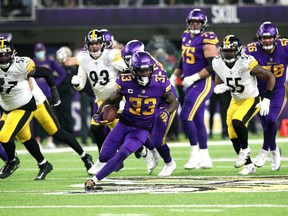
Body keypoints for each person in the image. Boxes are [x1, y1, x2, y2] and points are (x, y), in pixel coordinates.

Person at [84, 51, 178, 191]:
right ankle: (148, 152)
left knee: (123, 153)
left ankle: (94, 180)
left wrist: (167, 112)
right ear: (134, 70)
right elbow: (111, 99)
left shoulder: (160, 83)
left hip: (141, 129)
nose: (145, 74)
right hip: (123, 124)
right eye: (141, 71)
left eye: (147, 70)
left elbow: (173, 101)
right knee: (104, 156)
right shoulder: (125, 81)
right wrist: (98, 113)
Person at [58, 29, 127, 174]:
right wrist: (76, 83)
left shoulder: (112, 54)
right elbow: (81, 84)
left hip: (117, 97)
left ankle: (146, 150)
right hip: (102, 101)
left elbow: (126, 71)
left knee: (122, 130)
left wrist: (124, 68)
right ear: (87, 45)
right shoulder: (83, 58)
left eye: (97, 43)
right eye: (92, 44)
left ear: (102, 44)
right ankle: (108, 159)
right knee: (96, 128)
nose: (95, 46)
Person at [213, 35, 275, 175]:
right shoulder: (217, 62)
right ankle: (249, 166)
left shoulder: (246, 62)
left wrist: (268, 99)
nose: (228, 53)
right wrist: (218, 86)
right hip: (236, 99)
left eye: (231, 50)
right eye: (226, 51)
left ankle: (245, 149)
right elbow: (219, 74)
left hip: (251, 99)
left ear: (238, 50)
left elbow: (270, 76)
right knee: (232, 133)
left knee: (238, 121)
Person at [0, 38, 60, 179]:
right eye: (0, 55)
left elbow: (45, 72)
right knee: (26, 139)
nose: (3, 58)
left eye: (6, 54)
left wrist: (54, 92)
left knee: (3, 137)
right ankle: (44, 164)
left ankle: (12, 161)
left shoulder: (21, 65)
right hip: (7, 109)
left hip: (23, 106)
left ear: (12, 54)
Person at [169, 8, 218, 169]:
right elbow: (183, 60)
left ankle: (195, 155)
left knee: (185, 116)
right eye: (193, 22)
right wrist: (175, 76)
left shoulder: (207, 38)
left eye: (198, 22)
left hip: (203, 83)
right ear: (188, 23)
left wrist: (195, 77)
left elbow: (213, 65)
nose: (195, 24)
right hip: (190, 84)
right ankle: (205, 158)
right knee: (197, 120)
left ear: (203, 24)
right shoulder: (185, 36)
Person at [122, 39, 178, 177]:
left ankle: (169, 163)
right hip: (149, 101)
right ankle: (149, 152)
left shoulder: (150, 67)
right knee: (131, 125)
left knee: (158, 140)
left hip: (163, 102)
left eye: (131, 59)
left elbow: (156, 90)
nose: (129, 63)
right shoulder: (138, 64)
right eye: (127, 59)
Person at [245, 21, 288, 171]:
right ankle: (275, 151)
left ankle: (264, 151)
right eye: (264, 38)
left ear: (276, 37)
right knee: (266, 126)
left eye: (270, 37)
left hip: (277, 90)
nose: (267, 40)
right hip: (257, 92)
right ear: (259, 38)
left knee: (271, 120)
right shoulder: (250, 50)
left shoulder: (285, 46)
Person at [33, 42, 67, 148]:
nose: (40, 53)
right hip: (35, 95)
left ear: (44, 51)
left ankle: (50, 141)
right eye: (38, 51)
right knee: (37, 120)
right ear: (35, 52)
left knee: (51, 118)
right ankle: (38, 141)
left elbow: (62, 73)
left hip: (48, 95)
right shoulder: (32, 62)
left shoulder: (50, 61)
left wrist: (53, 84)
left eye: (41, 50)